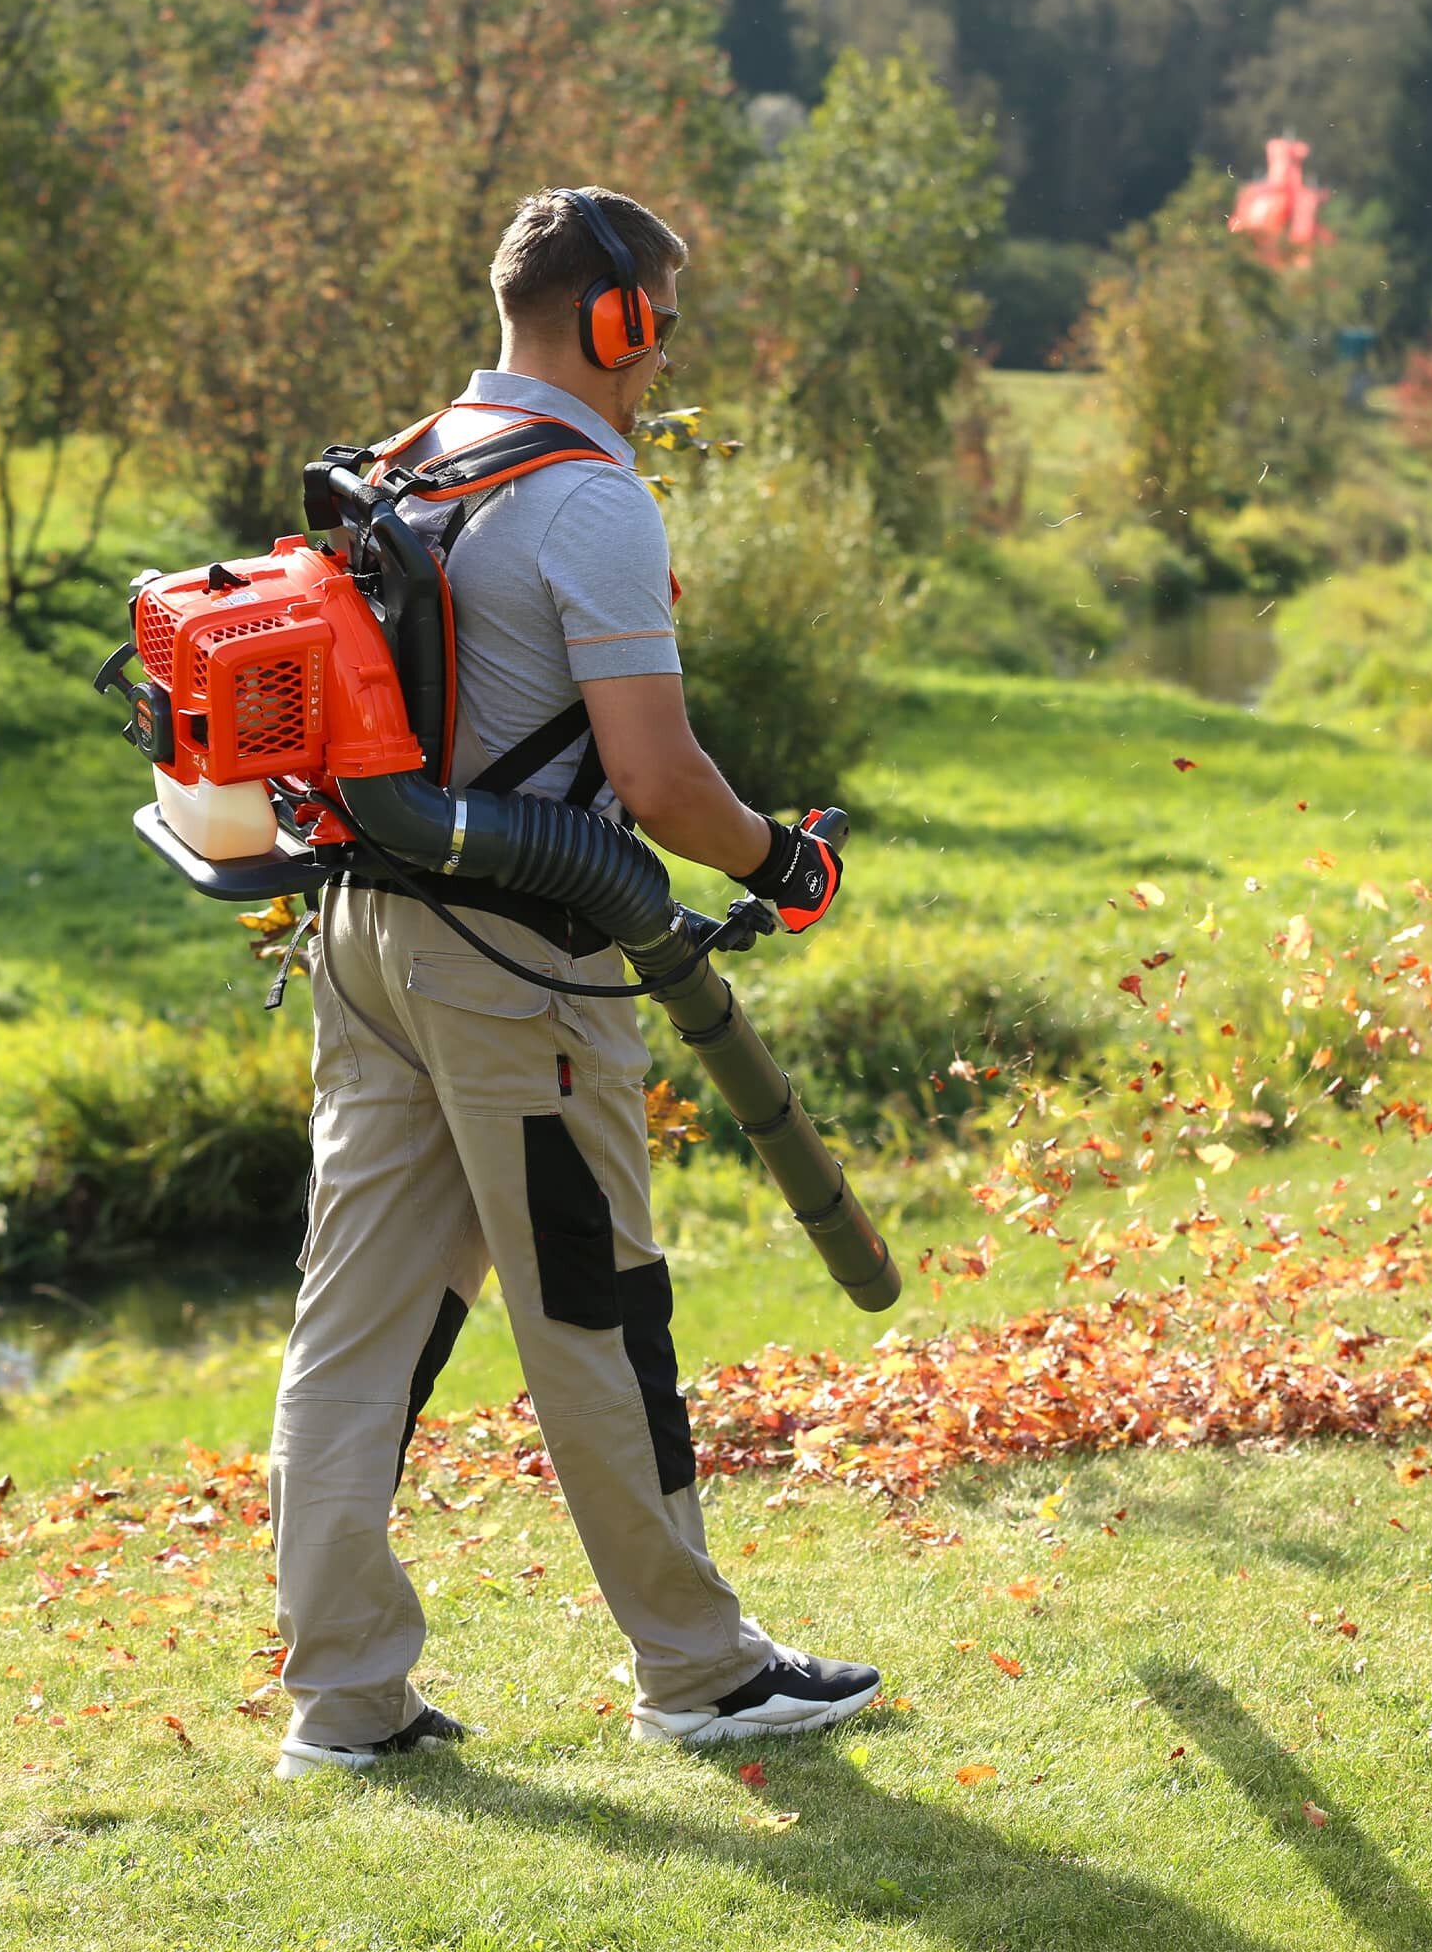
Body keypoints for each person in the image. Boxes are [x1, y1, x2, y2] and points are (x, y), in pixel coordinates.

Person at [266, 186, 877, 1781]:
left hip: (362, 939)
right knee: (601, 1317)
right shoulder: (593, 496)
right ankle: (700, 1673)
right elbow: (660, 784)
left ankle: (345, 1704)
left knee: (360, 1326)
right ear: (613, 315)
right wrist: (779, 864)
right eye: (658, 314)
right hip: (516, 966)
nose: (664, 347)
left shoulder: (411, 456)